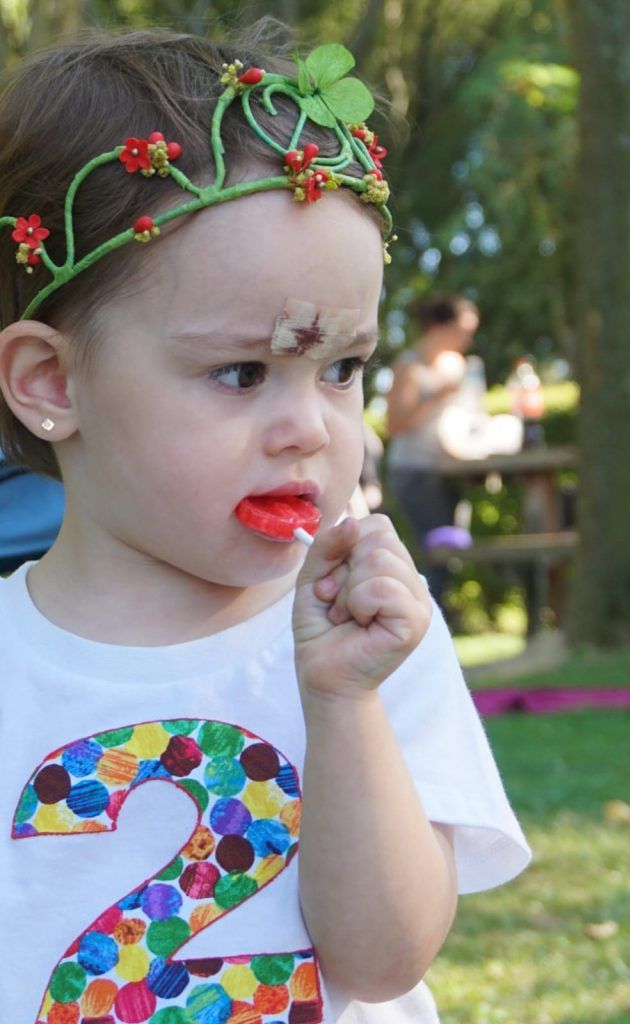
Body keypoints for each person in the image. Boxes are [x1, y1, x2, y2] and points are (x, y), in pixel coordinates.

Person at [0, 28, 530, 1024]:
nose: (309, 430)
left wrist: (341, 704)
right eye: (241, 373)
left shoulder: (369, 640)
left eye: (340, 369)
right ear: (52, 381)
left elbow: (380, 959)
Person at [385, 294, 482, 608]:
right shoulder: (409, 366)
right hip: (415, 472)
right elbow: (394, 426)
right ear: (439, 326)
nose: (468, 339)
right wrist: (435, 397)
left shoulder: (459, 364)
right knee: (437, 552)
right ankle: (425, 625)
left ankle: (432, 623)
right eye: (463, 330)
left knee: (452, 551)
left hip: (452, 470)